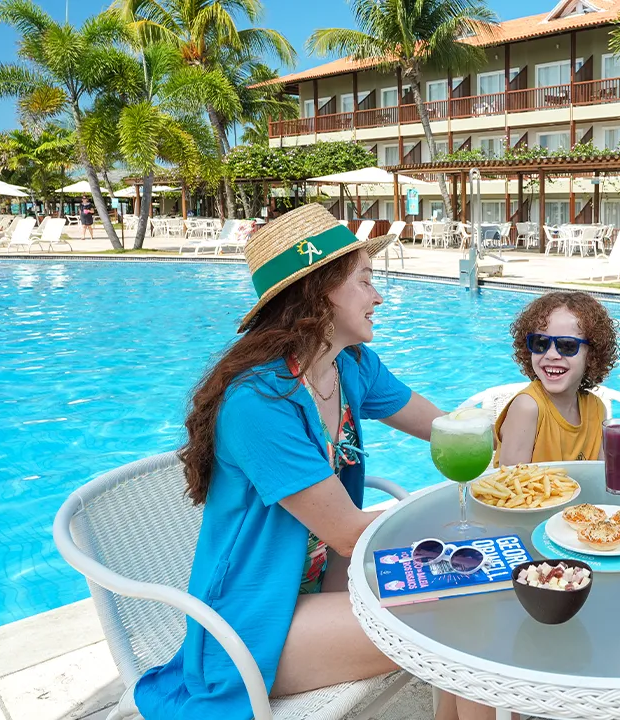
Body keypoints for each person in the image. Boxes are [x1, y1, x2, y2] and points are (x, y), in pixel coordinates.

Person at [130, 204, 488, 720]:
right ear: (321, 293)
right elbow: (348, 534)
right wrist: (455, 528)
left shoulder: (350, 365)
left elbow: (445, 427)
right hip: (255, 625)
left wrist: (514, 434)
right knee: (465, 624)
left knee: (478, 595)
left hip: (330, 587)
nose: (378, 296)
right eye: (365, 282)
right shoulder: (260, 404)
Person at [495, 291, 619, 466]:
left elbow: (599, 477)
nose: (551, 354)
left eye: (567, 346)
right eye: (540, 343)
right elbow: (509, 487)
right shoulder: (527, 408)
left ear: (592, 354)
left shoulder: (597, 409)